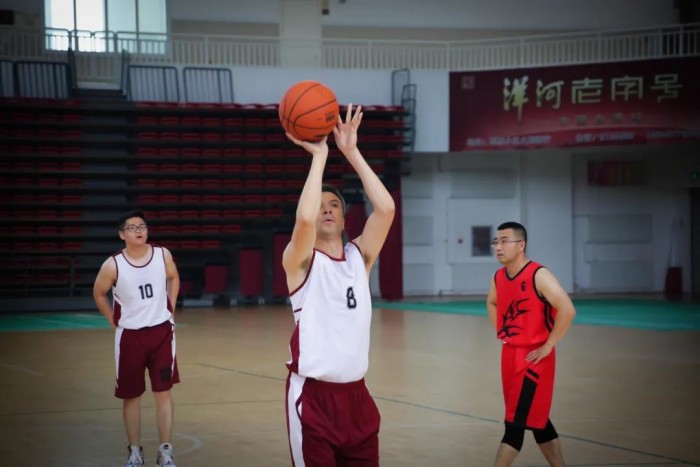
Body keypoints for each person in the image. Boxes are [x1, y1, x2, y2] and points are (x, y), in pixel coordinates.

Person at [282, 104, 396, 467]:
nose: (327, 209)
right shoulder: (299, 262)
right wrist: (320, 157)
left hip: (358, 398)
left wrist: (351, 152)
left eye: (334, 205)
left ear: (345, 219)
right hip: (314, 399)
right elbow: (303, 219)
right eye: (321, 205)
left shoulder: (359, 258)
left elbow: (386, 209)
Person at [93, 210, 180, 467]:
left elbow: (174, 277)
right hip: (130, 336)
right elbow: (98, 293)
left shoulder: (162, 254)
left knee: (163, 392)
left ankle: (165, 452)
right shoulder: (113, 265)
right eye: (132, 228)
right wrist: (113, 320)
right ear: (122, 234)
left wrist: (171, 306)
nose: (139, 230)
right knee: (131, 396)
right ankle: (134, 452)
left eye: (142, 226)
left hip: (161, 333)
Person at [486, 221, 576, 467]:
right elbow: (492, 301)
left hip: (534, 360)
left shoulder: (539, 275)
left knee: (514, 425)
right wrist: (501, 330)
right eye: (496, 242)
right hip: (509, 354)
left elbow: (567, 309)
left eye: (505, 241)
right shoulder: (498, 276)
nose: (498, 247)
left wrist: (548, 345)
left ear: (521, 245)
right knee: (537, 420)